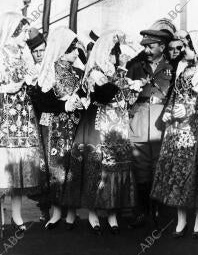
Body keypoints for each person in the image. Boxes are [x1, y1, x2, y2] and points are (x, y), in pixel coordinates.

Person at [151, 30, 198, 238]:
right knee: (176, 172)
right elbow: (175, 95)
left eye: (187, 48)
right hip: (175, 129)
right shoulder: (183, 67)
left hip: (194, 129)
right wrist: (169, 111)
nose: (183, 51)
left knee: (196, 173)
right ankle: (181, 221)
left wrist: (190, 110)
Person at [72, 30, 138, 234]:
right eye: (111, 52)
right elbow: (107, 93)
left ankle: (112, 213)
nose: (114, 57)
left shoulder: (117, 72)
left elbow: (127, 98)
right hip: (98, 124)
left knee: (116, 167)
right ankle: (93, 214)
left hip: (117, 125)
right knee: (96, 167)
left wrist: (131, 86)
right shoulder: (95, 72)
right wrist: (123, 78)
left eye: (115, 53)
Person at [36, 26, 83, 230]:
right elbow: (41, 100)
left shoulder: (79, 72)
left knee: (74, 167)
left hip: (76, 126)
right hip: (56, 127)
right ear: (62, 49)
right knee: (57, 169)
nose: (76, 53)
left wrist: (82, 101)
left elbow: (85, 95)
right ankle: (56, 213)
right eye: (72, 49)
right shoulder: (49, 71)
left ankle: (71, 213)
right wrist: (64, 105)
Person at [126, 29, 173, 228]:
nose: (146, 49)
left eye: (150, 46)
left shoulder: (172, 66)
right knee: (140, 168)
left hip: (160, 119)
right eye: (144, 46)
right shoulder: (136, 66)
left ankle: (159, 212)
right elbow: (126, 92)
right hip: (139, 116)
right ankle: (142, 212)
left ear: (162, 47)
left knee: (159, 165)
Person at [0, 12, 41, 231]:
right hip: (4, 114)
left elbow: (34, 77)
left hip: (22, 114)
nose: (27, 35)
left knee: (17, 169)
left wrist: (31, 75)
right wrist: (8, 88)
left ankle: (16, 215)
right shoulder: (0, 53)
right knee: (3, 168)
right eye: (24, 31)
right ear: (14, 30)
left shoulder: (24, 53)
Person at [26, 27, 51, 222]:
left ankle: (59, 207)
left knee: (54, 160)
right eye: (35, 52)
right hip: (35, 119)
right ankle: (44, 208)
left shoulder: (51, 67)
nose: (38, 55)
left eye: (41, 50)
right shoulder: (30, 71)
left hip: (51, 119)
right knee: (39, 162)